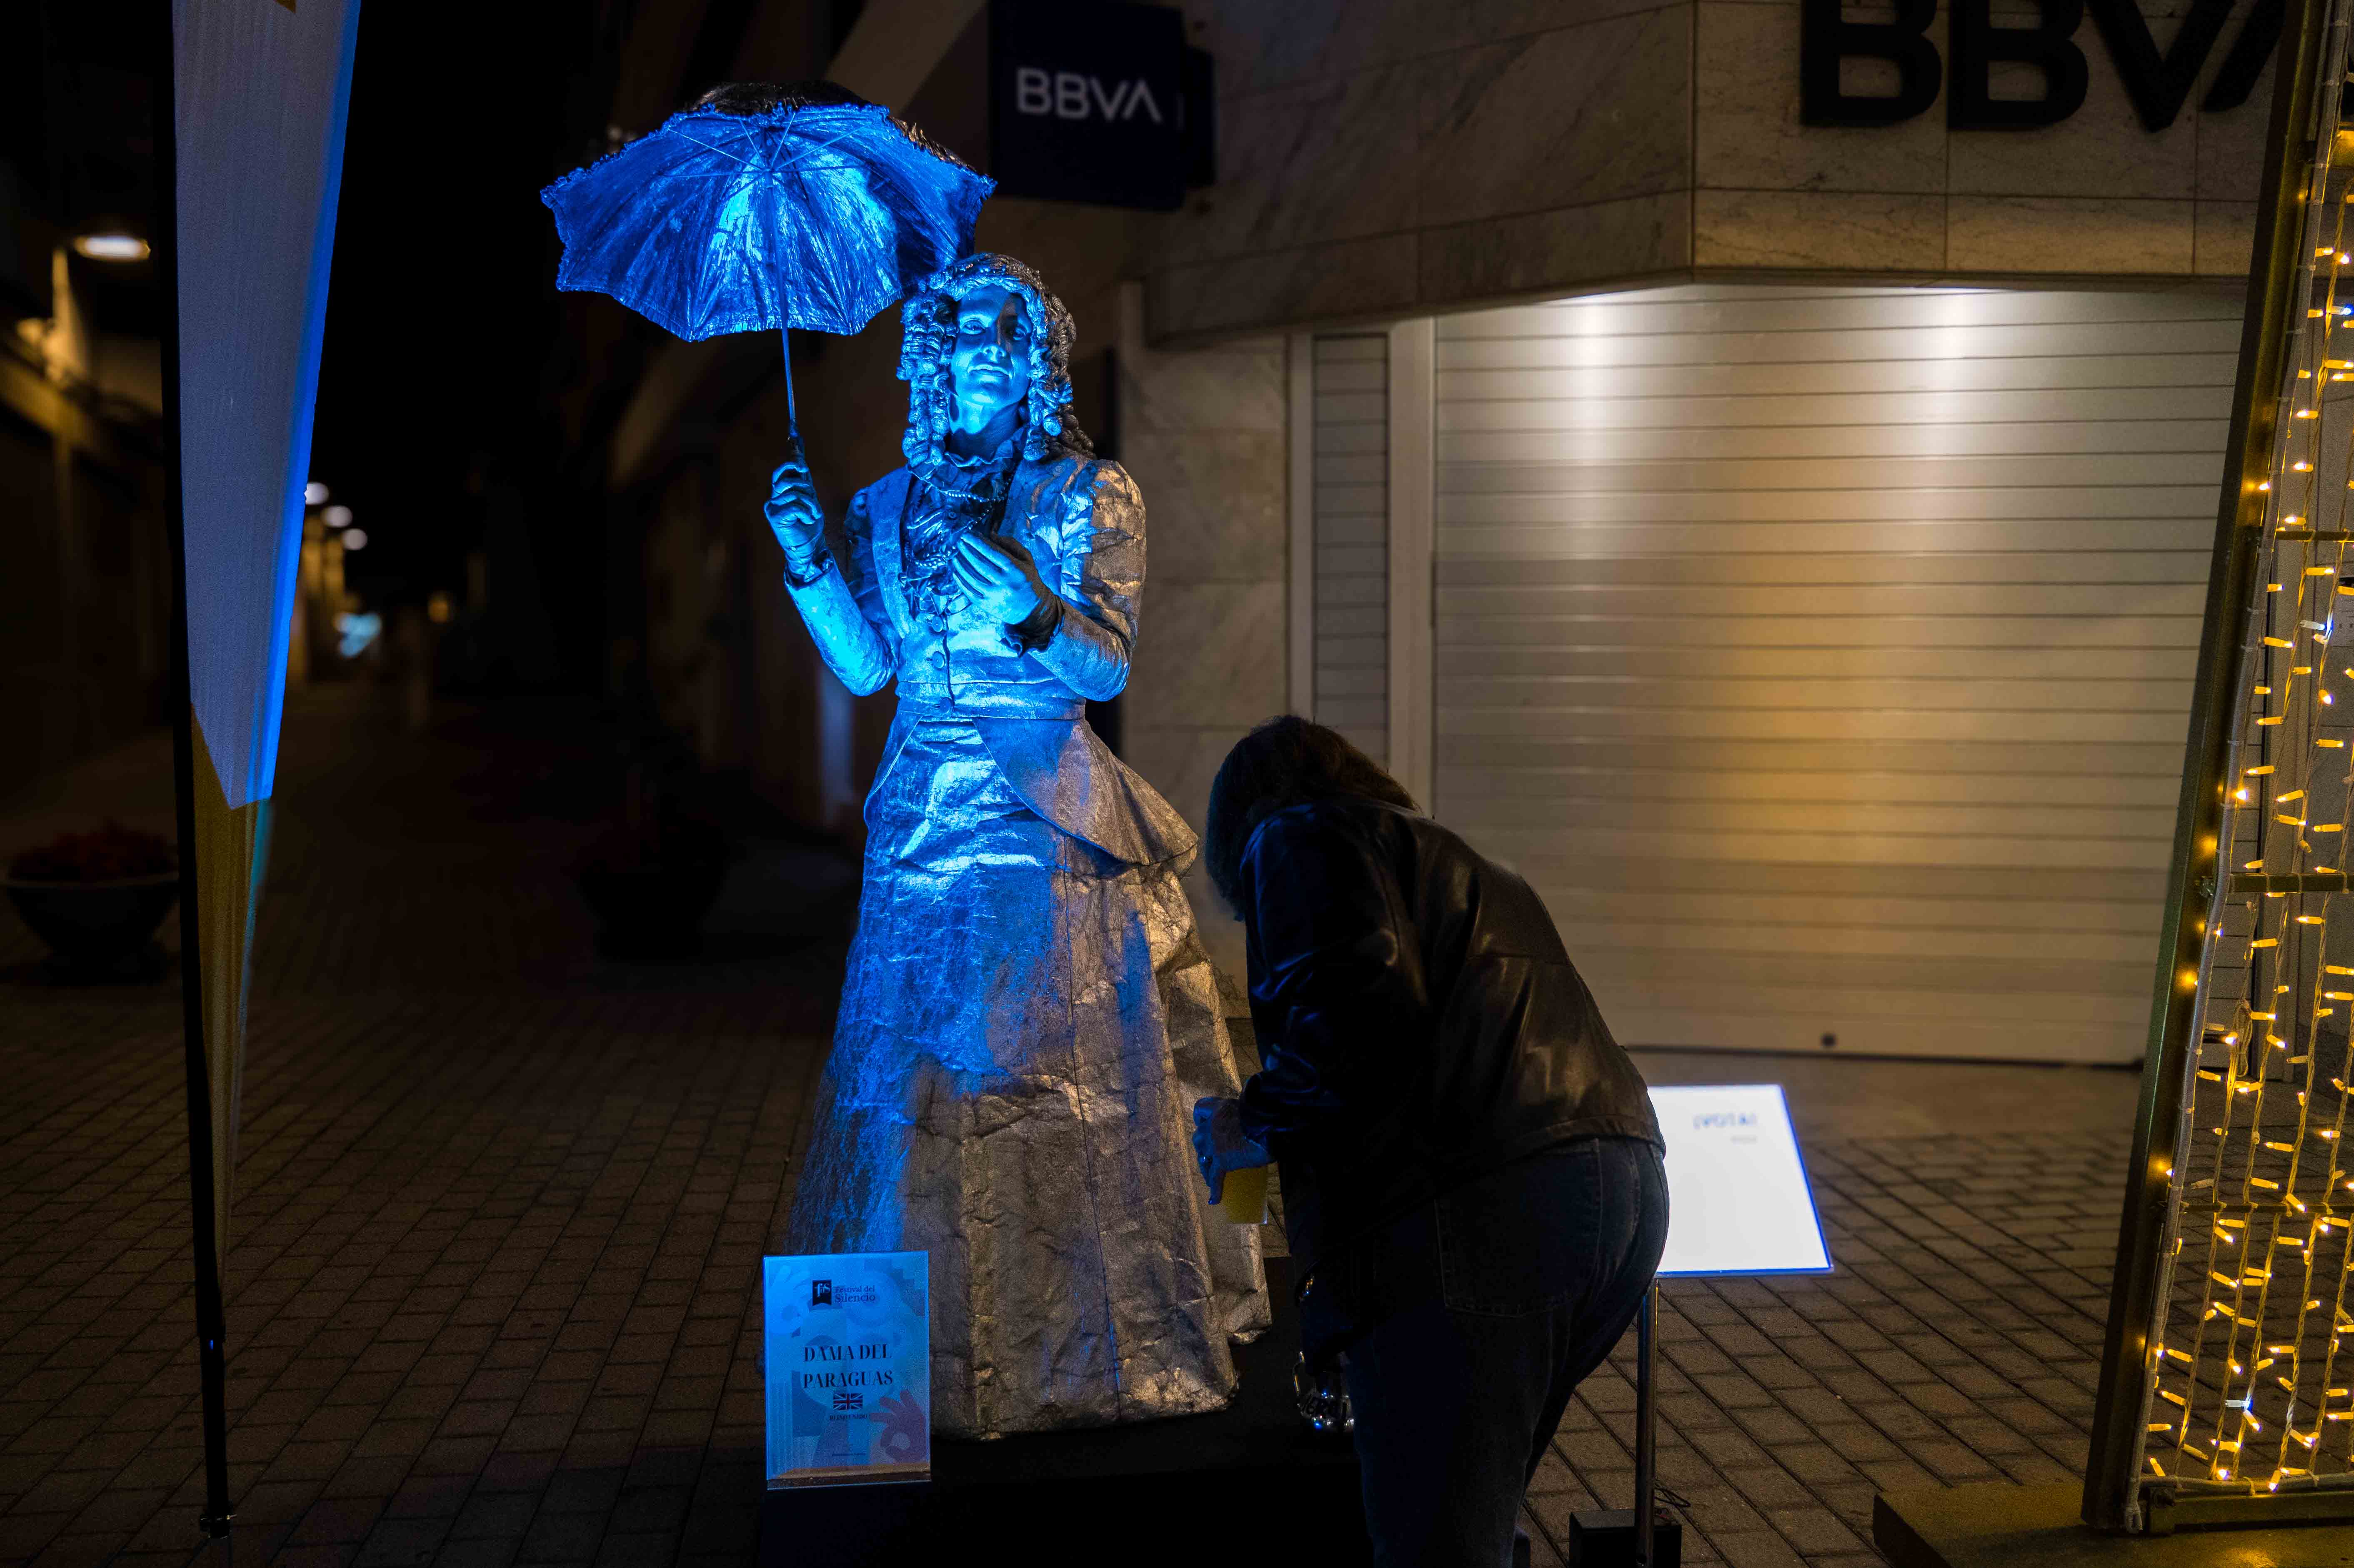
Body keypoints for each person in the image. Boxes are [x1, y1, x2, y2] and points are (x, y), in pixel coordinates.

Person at [764, 252, 1267, 1441]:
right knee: (921, 1090)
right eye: (954, 333)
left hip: (1042, 821)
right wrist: (806, 565)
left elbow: (1107, 663)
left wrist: (1030, 610)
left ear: (1035, 356)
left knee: (1060, 1092)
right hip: (917, 834)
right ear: (926, 358)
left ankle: (1086, 1352)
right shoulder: (883, 506)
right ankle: (915, 1374)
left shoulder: (1087, 492)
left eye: (1001, 332)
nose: (977, 349)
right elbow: (868, 668)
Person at [1192, 716, 1668, 1567]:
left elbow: (1357, 1024)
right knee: (1474, 1515)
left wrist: (1249, 1120)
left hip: (1488, 1203)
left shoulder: (1296, 833)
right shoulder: (1455, 856)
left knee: (1440, 1546)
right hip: (1621, 1185)